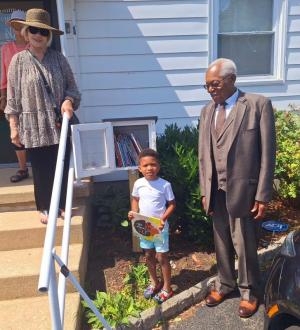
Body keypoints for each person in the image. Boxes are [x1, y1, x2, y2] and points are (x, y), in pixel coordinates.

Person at [199, 58, 276, 318]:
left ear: (231, 79)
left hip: (245, 189)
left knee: (244, 242)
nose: (210, 89)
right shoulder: (207, 111)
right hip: (215, 189)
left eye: (215, 84)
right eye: (207, 86)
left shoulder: (257, 105)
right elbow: (203, 155)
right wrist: (203, 190)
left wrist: (263, 194)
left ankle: (249, 291)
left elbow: (268, 154)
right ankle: (225, 283)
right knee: (220, 240)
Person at [5, 8, 80, 224]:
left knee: (63, 165)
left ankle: (64, 204)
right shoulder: (18, 62)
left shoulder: (59, 60)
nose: (38, 35)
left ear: (48, 36)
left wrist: (68, 101)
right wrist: (14, 126)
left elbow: (73, 90)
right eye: (35, 30)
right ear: (26, 33)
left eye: (43, 32)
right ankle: (45, 206)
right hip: (32, 124)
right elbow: (12, 98)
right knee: (40, 168)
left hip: (58, 123)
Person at [128, 148, 176, 304]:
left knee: (161, 256)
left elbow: (172, 204)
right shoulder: (138, 183)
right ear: (140, 168)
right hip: (144, 225)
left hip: (159, 227)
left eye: (153, 165)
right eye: (146, 165)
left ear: (159, 166)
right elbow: (135, 199)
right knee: (148, 255)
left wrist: (164, 218)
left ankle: (167, 288)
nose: (149, 168)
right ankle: (155, 282)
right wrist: (134, 213)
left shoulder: (164, 185)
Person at [0, 10, 29, 182]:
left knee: (33, 131)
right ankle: (23, 168)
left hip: (32, 96)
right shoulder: (5, 49)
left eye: (21, 25)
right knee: (16, 133)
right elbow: (3, 76)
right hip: (13, 97)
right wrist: (2, 97)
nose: (18, 29)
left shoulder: (34, 46)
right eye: (15, 25)